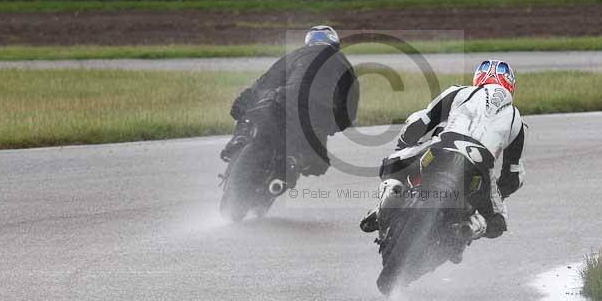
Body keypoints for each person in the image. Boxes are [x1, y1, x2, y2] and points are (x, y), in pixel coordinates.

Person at [360, 59, 526, 257]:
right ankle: (469, 228)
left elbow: (419, 121)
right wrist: (498, 194)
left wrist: (404, 148)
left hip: (439, 150)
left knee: (391, 164)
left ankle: (385, 205)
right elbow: (513, 176)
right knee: (498, 220)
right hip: (479, 171)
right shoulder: (516, 119)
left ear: (478, 79)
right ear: (510, 85)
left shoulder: (459, 91)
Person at [221, 25, 359, 183]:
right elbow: (350, 106)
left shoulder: (296, 54)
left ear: (308, 41)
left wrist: (240, 106)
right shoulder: (342, 61)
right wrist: (333, 126)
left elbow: (265, 83)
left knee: (254, 115)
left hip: (283, 98)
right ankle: (295, 161)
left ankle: (241, 137)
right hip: (318, 111)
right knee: (316, 160)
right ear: (335, 42)